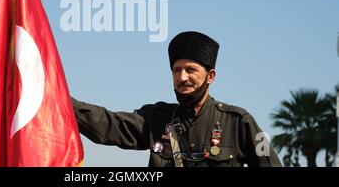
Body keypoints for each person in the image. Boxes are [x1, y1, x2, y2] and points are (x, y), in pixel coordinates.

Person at [72, 31, 282, 167]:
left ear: (211, 76)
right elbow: (110, 124)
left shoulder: (238, 122)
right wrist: (62, 102)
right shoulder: (156, 118)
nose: (182, 78)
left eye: (190, 70)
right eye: (176, 70)